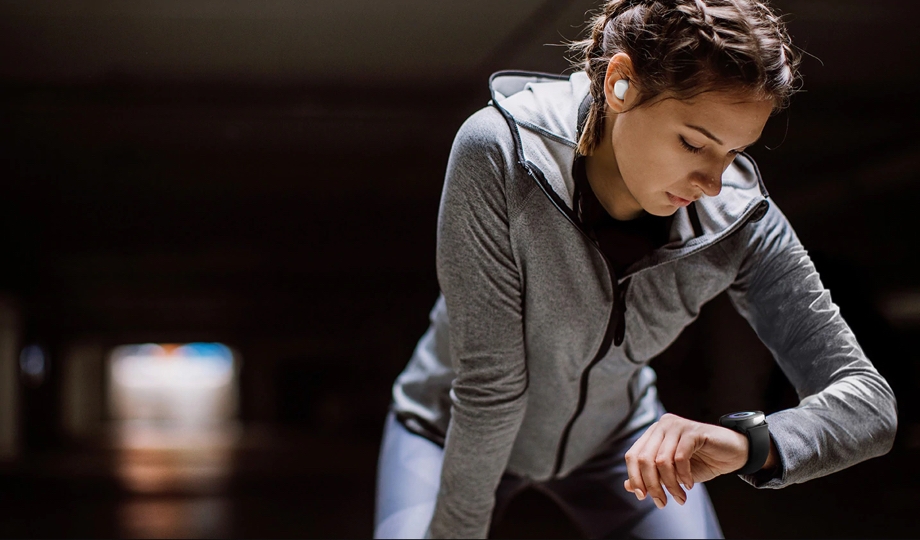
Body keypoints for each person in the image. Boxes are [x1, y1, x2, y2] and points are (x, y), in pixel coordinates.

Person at [375, 0, 898, 538]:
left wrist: (749, 445)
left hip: (615, 445)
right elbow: (492, 388)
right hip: (448, 431)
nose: (713, 183)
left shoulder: (738, 218)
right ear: (620, 83)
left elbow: (869, 403)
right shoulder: (502, 152)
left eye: (734, 152)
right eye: (693, 143)